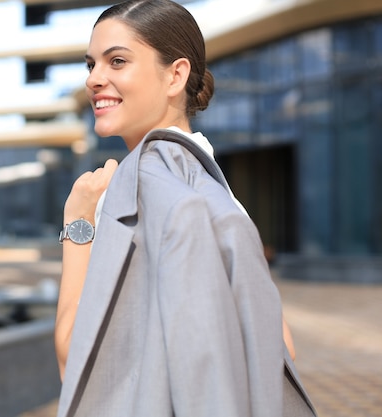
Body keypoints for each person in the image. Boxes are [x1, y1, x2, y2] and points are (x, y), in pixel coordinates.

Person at [55, 1, 316, 416]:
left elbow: (77, 362)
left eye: (117, 61)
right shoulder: (213, 187)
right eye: (91, 66)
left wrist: (78, 223)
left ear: (176, 75)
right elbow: (279, 349)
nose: (95, 80)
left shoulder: (139, 190)